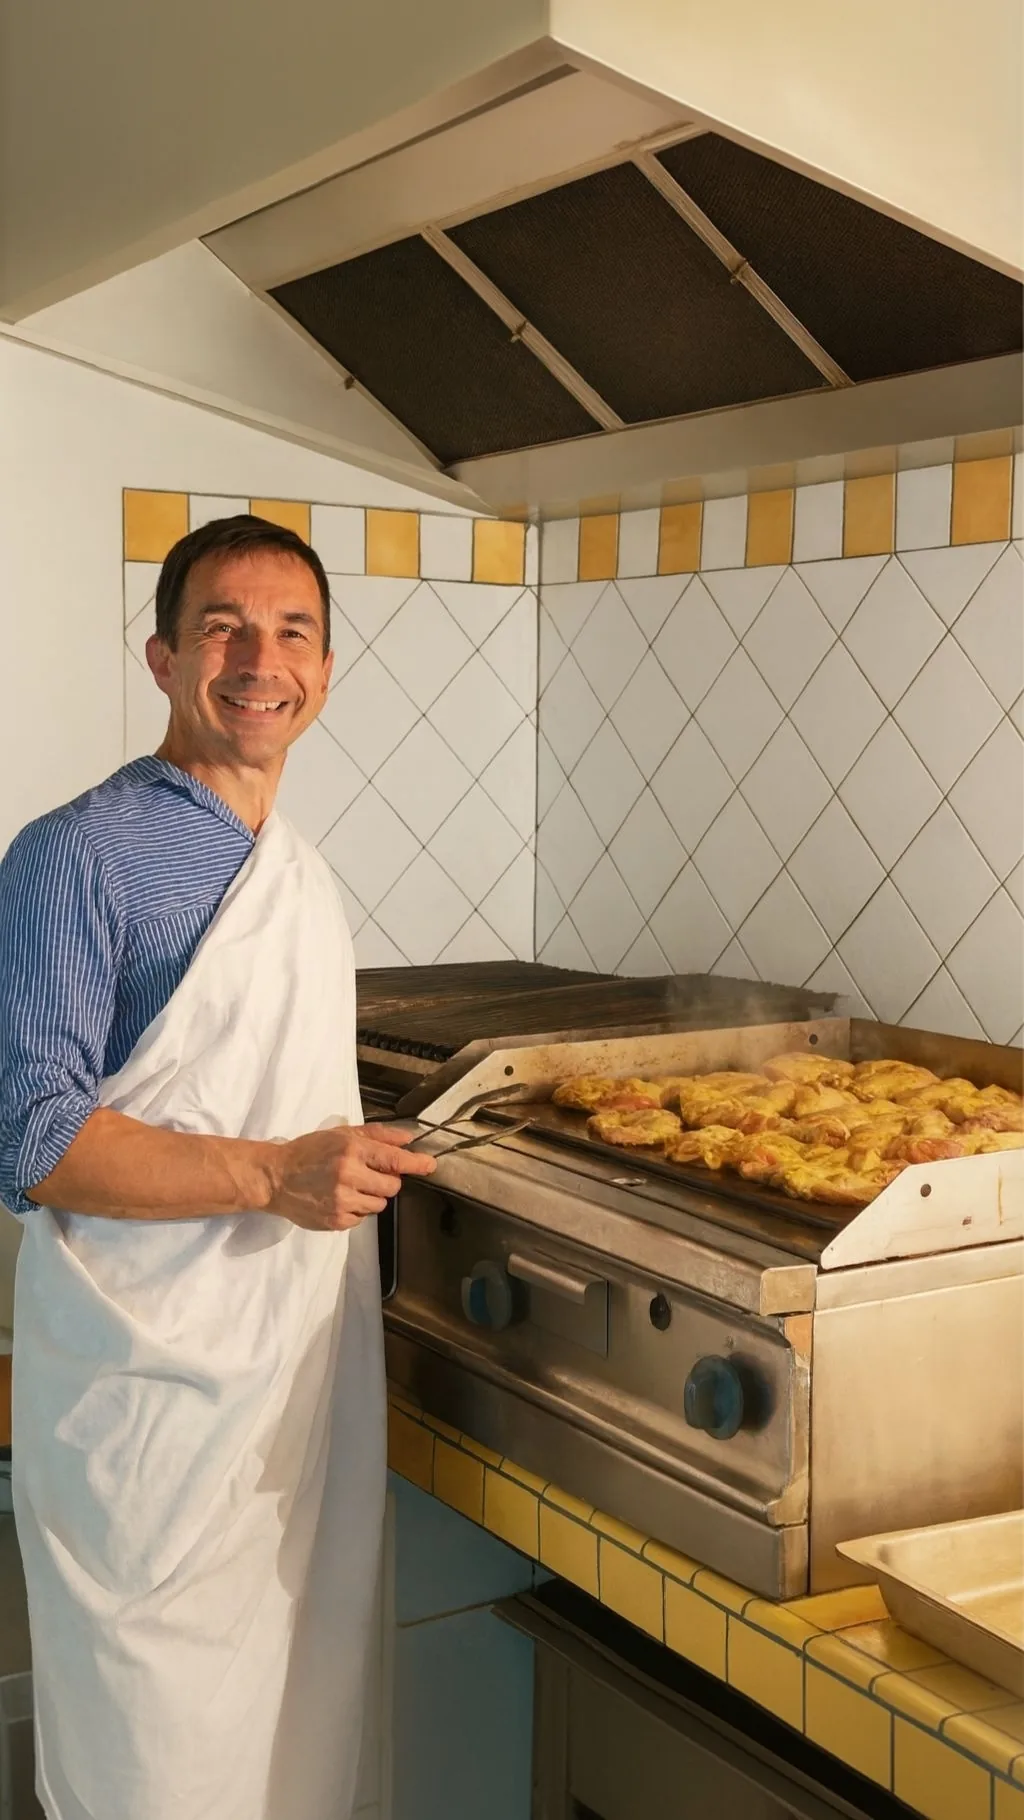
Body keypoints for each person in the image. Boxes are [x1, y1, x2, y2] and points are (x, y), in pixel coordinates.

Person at [0, 515, 436, 1820]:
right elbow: (36, 1139)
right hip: (148, 1420)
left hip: (290, 1405)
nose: (262, 659)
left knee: (294, 1762)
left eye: (293, 631)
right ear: (162, 655)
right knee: (153, 1773)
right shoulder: (72, 858)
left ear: (326, 668)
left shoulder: (302, 876)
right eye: (225, 628)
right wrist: (271, 1178)